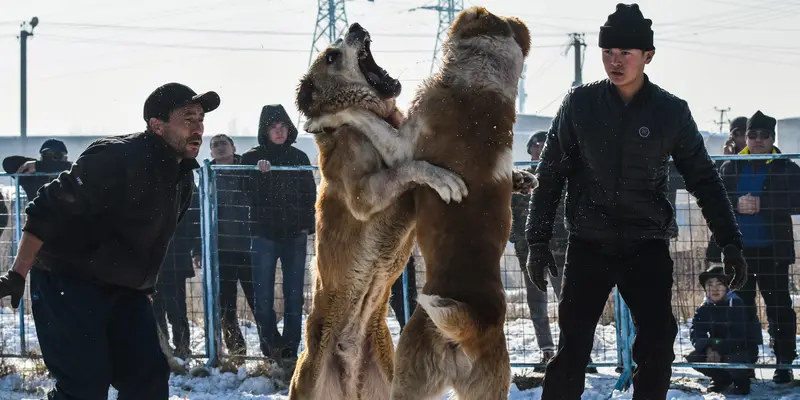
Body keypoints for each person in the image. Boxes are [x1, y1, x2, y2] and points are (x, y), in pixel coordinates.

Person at [524, 4, 747, 399]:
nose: (615, 61)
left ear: (648, 56)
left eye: (626, 53)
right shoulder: (580, 104)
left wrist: (730, 241)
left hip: (646, 244)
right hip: (589, 244)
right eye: (608, 52)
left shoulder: (670, 112)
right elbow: (551, 174)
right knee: (571, 350)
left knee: (658, 345)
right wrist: (537, 241)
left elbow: (705, 179)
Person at [0, 82, 220, 399]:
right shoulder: (116, 156)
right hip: (68, 283)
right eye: (188, 118)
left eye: (201, 119)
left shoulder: (182, 176)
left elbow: (152, 243)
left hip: (125, 292)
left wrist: (144, 292)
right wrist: (18, 272)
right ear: (157, 126)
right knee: (85, 386)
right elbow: (46, 207)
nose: (198, 128)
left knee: (149, 381)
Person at [706, 110, 799, 384]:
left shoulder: (786, 166)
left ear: (772, 137)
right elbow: (715, 203)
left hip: (773, 251)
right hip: (739, 253)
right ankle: (743, 360)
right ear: (744, 137)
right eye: (753, 134)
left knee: (779, 308)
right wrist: (735, 206)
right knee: (739, 309)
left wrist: (764, 205)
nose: (758, 140)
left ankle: (783, 362)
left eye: (764, 135)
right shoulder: (730, 166)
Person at [241, 104, 316, 362]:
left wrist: (309, 226)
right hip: (263, 236)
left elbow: (310, 195)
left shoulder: (299, 158)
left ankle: (289, 353)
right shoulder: (251, 158)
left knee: (294, 298)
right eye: (273, 127)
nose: (279, 131)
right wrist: (259, 175)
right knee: (262, 300)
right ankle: (271, 348)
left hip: (295, 236)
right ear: (265, 130)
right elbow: (245, 195)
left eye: (283, 126)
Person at [208, 133, 259, 359]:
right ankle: (237, 352)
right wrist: (200, 250)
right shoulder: (207, 176)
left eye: (223, 144)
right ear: (211, 152)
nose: (220, 148)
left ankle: (271, 349)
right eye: (215, 145)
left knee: (259, 303)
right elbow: (200, 213)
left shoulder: (247, 170)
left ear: (233, 147)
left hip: (250, 249)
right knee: (226, 307)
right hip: (221, 250)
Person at [686, 266, 761, 395]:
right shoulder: (704, 308)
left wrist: (718, 349)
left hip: (742, 349)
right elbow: (696, 332)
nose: (714, 288)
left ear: (727, 287)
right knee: (693, 357)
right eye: (710, 284)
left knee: (733, 359)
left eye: (719, 284)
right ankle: (721, 378)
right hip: (716, 347)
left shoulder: (737, 304)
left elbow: (739, 335)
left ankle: (742, 379)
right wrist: (708, 348)